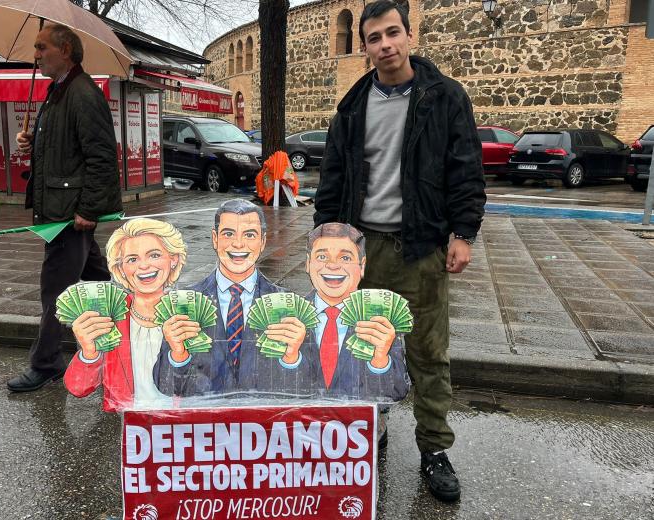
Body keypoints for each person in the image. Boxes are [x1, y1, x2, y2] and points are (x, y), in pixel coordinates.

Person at [314, 1, 485, 502]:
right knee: (363, 346)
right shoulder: (352, 106)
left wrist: (463, 233)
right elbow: (333, 177)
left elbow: (465, 168)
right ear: (365, 47)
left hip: (421, 248)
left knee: (428, 354)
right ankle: (373, 426)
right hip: (362, 249)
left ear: (409, 35)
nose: (385, 44)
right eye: (374, 37)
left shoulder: (445, 97)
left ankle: (434, 448)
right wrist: (326, 237)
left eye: (393, 33)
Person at [7, 23, 123, 393]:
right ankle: (124, 339)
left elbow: (101, 157)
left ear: (66, 50)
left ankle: (46, 362)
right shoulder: (57, 91)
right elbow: (65, 149)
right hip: (62, 209)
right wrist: (32, 142)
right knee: (100, 281)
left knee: (55, 289)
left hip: (69, 215)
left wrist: (88, 209)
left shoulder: (83, 93)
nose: (36, 55)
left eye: (42, 47)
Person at [155, 199, 310, 397]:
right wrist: (178, 355)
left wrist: (292, 357)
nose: (238, 244)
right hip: (206, 415)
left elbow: (307, 388)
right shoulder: (184, 303)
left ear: (262, 242)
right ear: (215, 239)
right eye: (228, 234)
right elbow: (165, 386)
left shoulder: (289, 305)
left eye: (249, 234)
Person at [64, 219, 187, 412]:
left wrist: (180, 355)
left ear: (174, 259)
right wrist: (89, 352)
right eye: (132, 259)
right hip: (129, 423)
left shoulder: (191, 313)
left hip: (181, 423)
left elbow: (211, 384)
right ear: (120, 268)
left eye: (154, 255)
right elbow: (78, 388)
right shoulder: (108, 318)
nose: (143, 266)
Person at [303, 223, 409, 402]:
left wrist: (380, 360)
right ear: (308, 263)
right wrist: (289, 359)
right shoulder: (286, 317)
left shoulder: (380, 321)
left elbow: (397, 391)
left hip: (358, 419)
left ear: (362, 266)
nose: (333, 265)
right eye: (322, 256)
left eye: (345, 258)